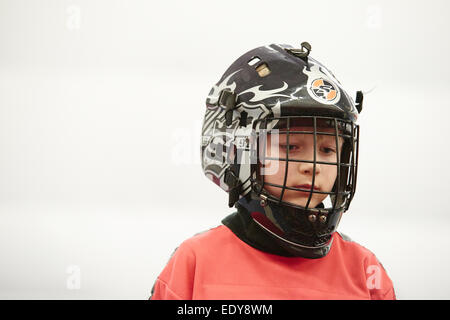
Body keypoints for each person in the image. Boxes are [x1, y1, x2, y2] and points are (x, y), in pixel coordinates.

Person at [149, 42, 396, 300]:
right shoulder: (195, 263)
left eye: (327, 151)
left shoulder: (365, 270)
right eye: (290, 146)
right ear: (240, 151)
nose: (312, 166)